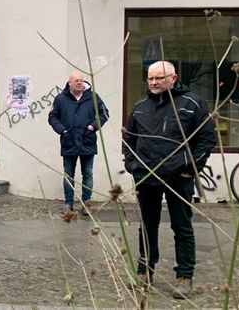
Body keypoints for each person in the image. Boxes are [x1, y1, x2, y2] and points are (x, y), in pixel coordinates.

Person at [123, 60, 215, 299]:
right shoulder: (140, 106)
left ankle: (184, 276)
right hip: (147, 178)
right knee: (147, 226)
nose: (154, 82)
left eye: (160, 78)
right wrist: (132, 166)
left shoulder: (193, 103)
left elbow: (206, 140)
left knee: (182, 227)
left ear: (173, 78)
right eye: (150, 78)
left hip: (179, 178)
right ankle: (145, 271)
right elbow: (129, 140)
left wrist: (190, 169)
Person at [48, 71, 109, 214]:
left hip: (87, 141)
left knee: (87, 173)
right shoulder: (60, 99)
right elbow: (52, 117)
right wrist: (62, 130)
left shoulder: (93, 97)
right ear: (69, 83)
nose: (79, 82)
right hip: (69, 141)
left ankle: (86, 204)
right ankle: (68, 203)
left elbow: (104, 113)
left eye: (81, 80)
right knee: (69, 174)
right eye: (76, 80)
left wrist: (93, 126)